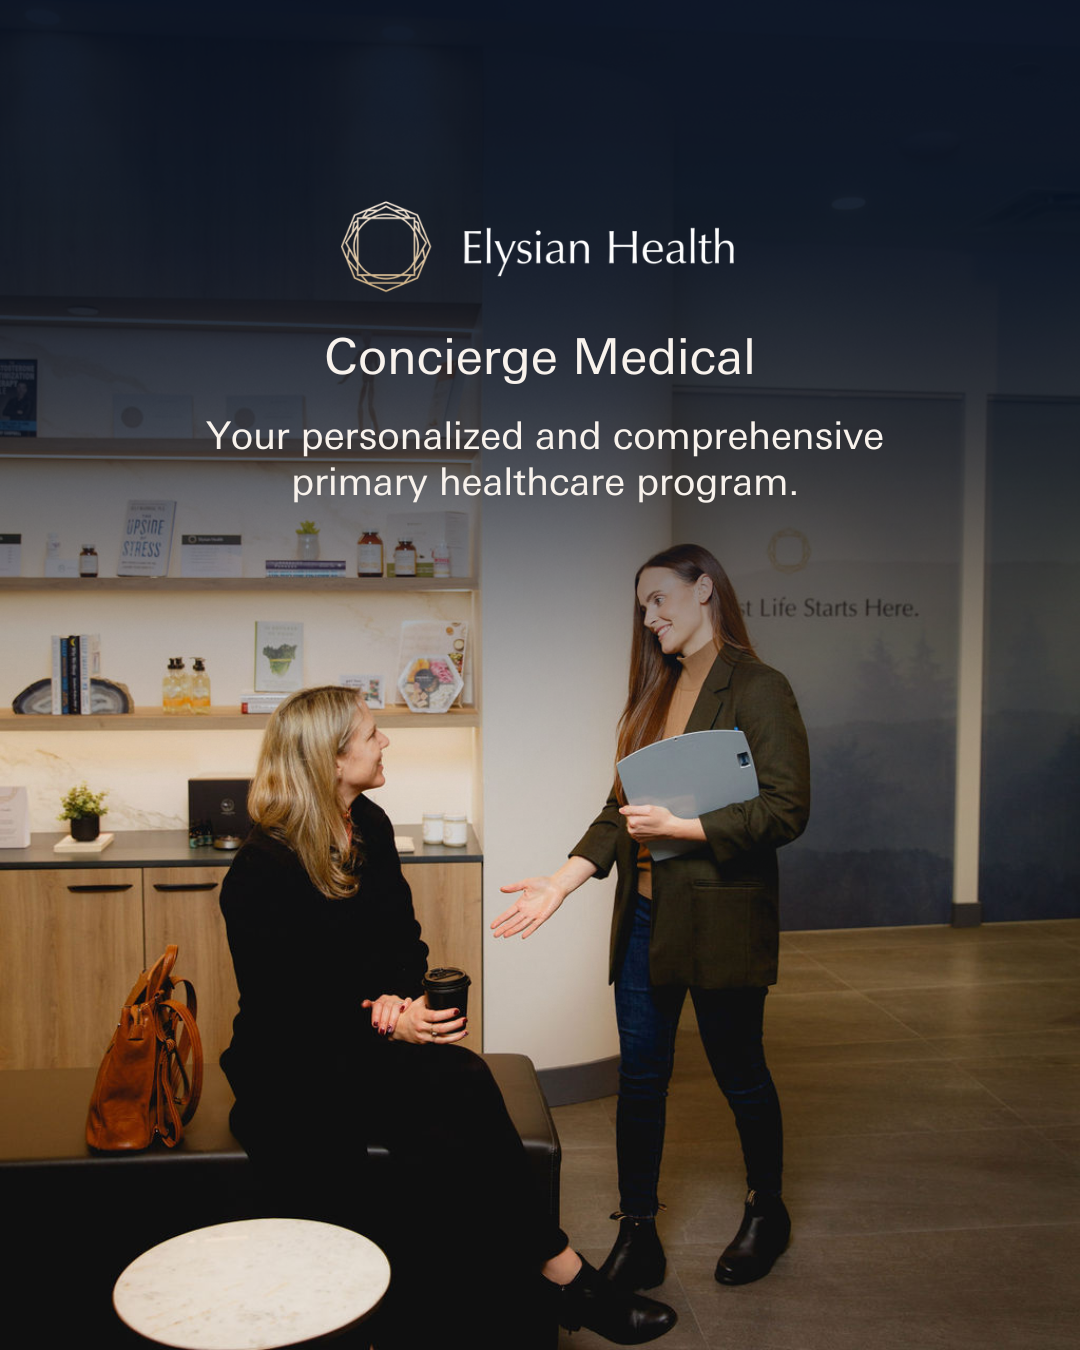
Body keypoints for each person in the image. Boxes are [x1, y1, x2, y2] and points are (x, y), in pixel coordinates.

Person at [218, 685, 677, 1347]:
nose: (385, 743)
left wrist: (402, 1002)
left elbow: (404, 943)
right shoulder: (261, 871)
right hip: (294, 1064)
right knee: (385, 1128)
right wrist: (384, 1021)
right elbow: (288, 1009)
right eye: (372, 734)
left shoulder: (368, 824)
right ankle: (565, 1283)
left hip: (366, 1037)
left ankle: (558, 1278)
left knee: (460, 1077)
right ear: (329, 758)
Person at [494, 543, 810, 1292]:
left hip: (723, 918)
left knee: (740, 1073)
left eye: (660, 599)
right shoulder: (653, 694)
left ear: (705, 591)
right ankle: (639, 1228)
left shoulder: (759, 687)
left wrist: (686, 829)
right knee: (642, 1079)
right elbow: (618, 814)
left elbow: (786, 809)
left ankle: (768, 1209)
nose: (649, 617)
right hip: (643, 919)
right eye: (641, 606)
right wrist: (561, 884)